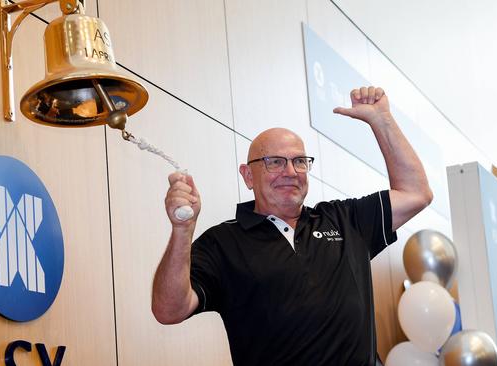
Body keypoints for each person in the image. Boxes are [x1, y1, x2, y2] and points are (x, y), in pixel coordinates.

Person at [152, 86, 433, 365]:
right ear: (248, 176)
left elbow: (416, 194)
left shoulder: (345, 220)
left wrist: (382, 121)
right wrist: (181, 232)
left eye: (299, 161)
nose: (290, 172)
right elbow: (168, 310)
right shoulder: (222, 243)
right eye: (275, 162)